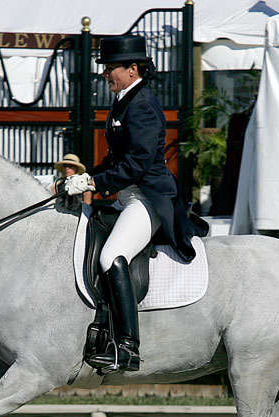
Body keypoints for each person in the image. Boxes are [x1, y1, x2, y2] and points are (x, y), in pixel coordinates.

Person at [64, 34, 207, 374]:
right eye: (105, 68)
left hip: (149, 199)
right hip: (128, 197)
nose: (105, 74)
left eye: (110, 68)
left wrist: (94, 183)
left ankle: (127, 346)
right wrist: (84, 177)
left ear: (132, 69)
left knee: (111, 256)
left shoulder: (142, 105)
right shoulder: (124, 101)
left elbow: (138, 164)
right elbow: (116, 160)